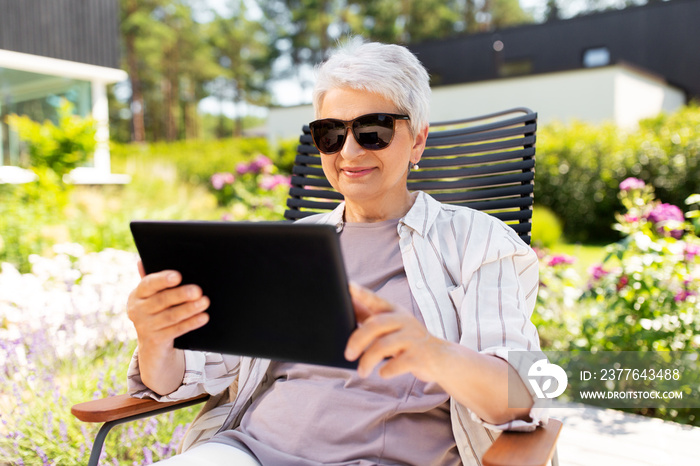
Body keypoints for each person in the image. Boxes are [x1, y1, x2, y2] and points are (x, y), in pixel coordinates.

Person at [126, 40, 546, 465]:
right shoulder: (287, 249)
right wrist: (156, 338)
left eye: (374, 130)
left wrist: (432, 353)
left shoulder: (480, 243)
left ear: (417, 141)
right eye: (330, 133)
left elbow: (522, 394)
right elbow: (186, 376)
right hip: (245, 453)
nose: (348, 152)